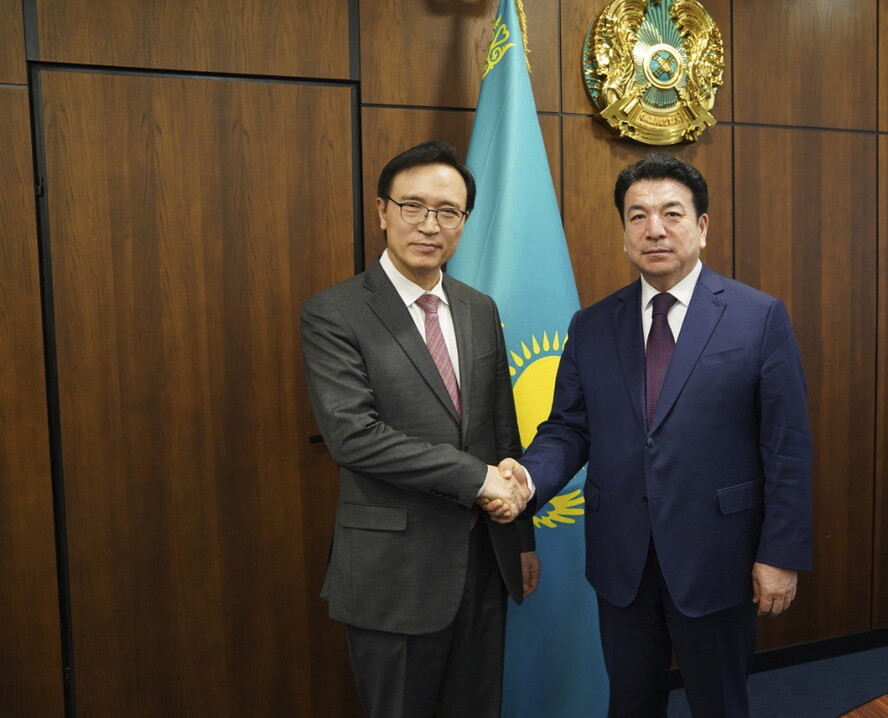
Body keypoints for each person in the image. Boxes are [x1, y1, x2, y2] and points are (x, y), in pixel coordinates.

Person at [498, 153, 812, 717]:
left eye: (672, 213)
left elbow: (786, 448)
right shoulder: (592, 325)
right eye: (637, 215)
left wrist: (780, 553)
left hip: (719, 558)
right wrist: (527, 478)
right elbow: (569, 427)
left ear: (702, 226)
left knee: (720, 705)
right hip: (622, 561)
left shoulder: (758, 316)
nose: (655, 229)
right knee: (631, 704)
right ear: (624, 233)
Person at [301, 140, 538, 718]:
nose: (430, 225)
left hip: (484, 559)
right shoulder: (334, 312)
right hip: (393, 572)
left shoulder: (479, 307)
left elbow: (501, 430)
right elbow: (354, 436)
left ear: (464, 223)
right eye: (413, 206)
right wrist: (477, 478)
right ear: (383, 211)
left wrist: (522, 537)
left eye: (448, 211)